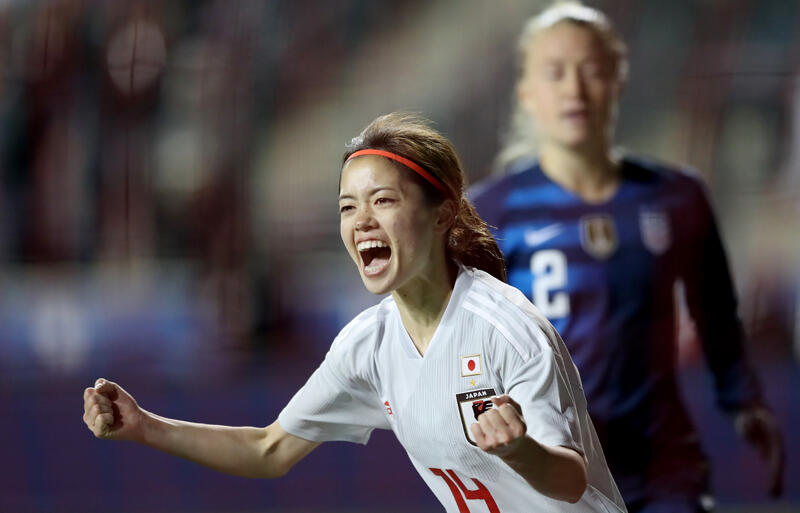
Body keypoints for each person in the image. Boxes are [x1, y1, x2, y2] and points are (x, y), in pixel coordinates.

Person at [83, 112, 627, 512]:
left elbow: (570, 481)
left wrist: (519, 450)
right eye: (348, 206)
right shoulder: (368, 345)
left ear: (443, 215)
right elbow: (269, 449)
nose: (361, 220)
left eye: (383, 200)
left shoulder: (506, 329)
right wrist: (145, 427)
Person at [469, 3, 784, 512]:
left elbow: (718, 317)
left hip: (662, 469)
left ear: (618, 81)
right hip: (549, 467)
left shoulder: (676, 196)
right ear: (527, 93)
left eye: (592, 69)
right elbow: (466, 344)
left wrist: (743, 401)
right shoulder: (490, 210)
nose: (574, 88)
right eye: (555, 72)